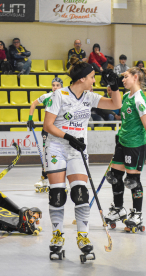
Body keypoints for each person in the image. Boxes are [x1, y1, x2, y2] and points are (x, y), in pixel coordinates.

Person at [43, 56, 121, 258]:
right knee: (57, 194)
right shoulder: (58, 95)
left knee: (81, 194)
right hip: (57, 149)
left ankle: (83, 236)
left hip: (77, 150)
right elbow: (48, 125)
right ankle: (57, 235)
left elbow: (115, 104)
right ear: (81, 79)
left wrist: (114, 85)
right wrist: (69, 137)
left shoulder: (89, 97)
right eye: (92, 77)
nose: (94, 81)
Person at [104, 67, 146, 233]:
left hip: (136, 144)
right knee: (114, 176)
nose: (123, 80)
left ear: (135, 77)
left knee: (132, 180)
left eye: (125, 77)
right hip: (122, 141)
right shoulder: (125, 96)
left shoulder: (140, 100)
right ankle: (118, 209)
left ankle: (137, 214)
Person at [27, 77, 63, 191]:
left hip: (60, 129)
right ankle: (44, 178)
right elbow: (33, 104)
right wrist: (30, 119)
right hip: (47, 129)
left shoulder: (66, 97)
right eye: (53, 85)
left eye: (57, 85)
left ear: (61, 86)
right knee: (46, 154)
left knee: (60, 154)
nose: (55, 87)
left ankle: (60, 180)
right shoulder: (47, 96)